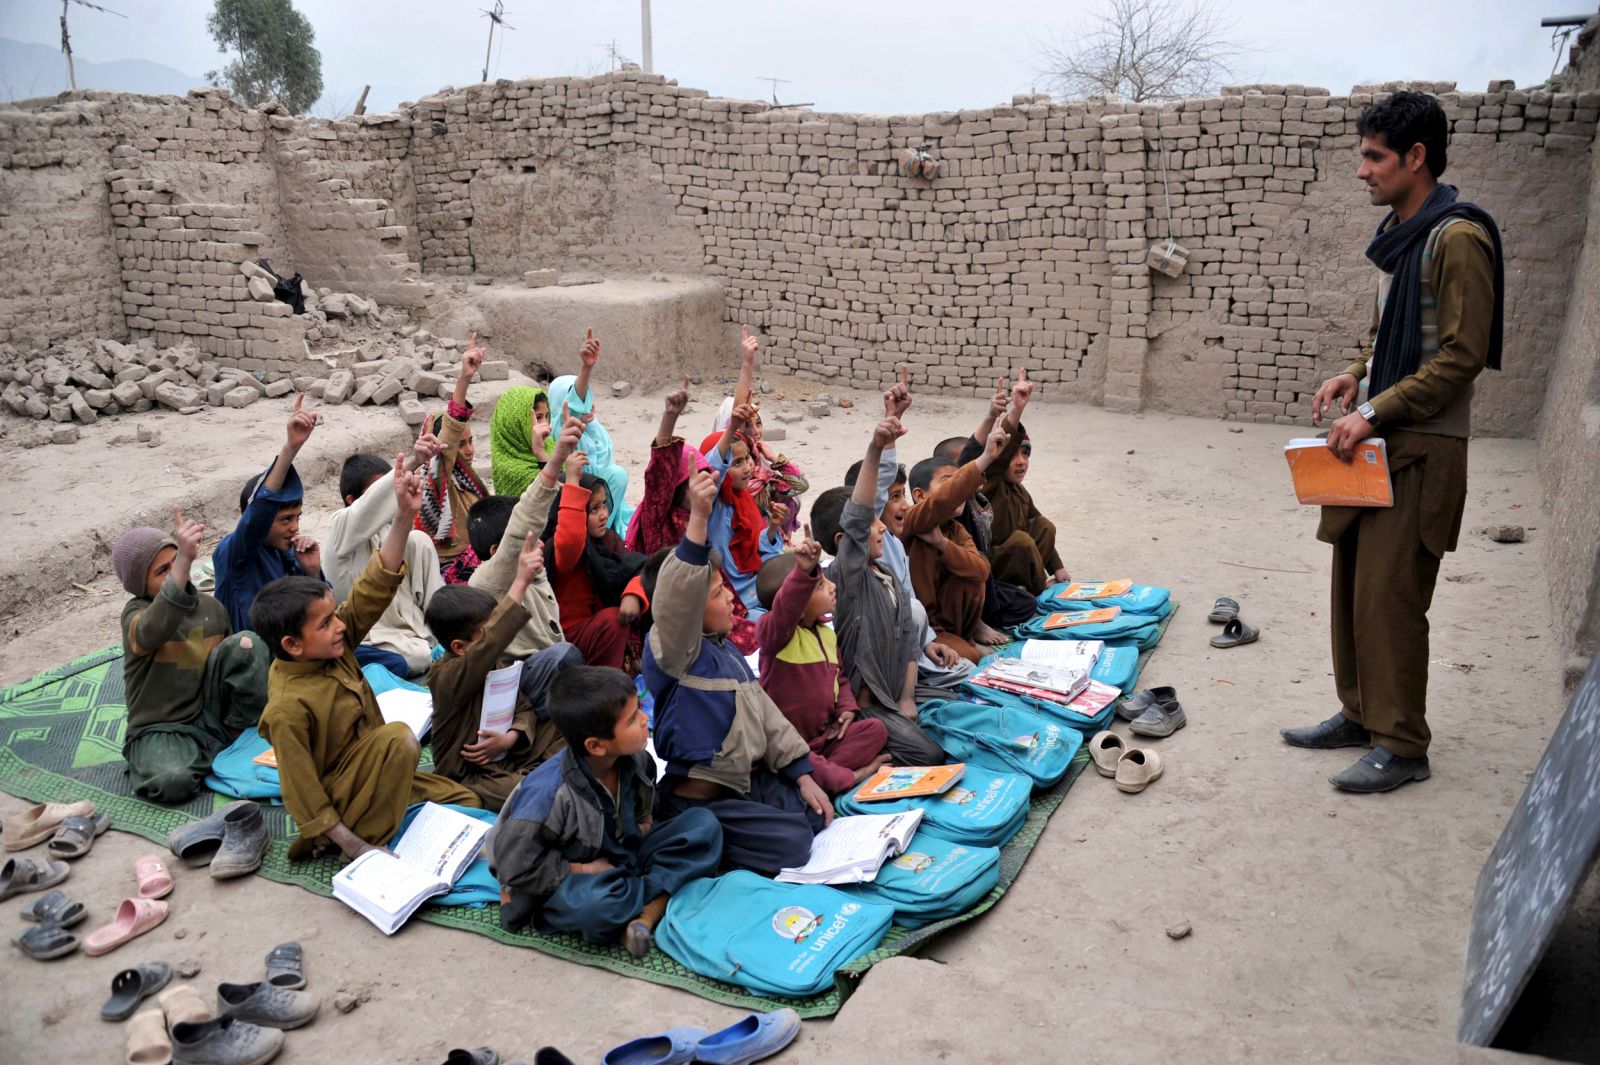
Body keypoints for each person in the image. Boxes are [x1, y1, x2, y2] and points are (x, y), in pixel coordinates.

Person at [1282, 91, 1503, 794]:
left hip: (1423, 446)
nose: (1362, 171)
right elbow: (1384, 342)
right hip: (1379, 442)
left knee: (1393, 598)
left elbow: (1460, 356)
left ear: (1415, 157)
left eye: (1374, 156)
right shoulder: (1405, 235)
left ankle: (1403, 743)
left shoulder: (1457, 238)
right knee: (1353, 585)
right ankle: (1360, 714)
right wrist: (1351, 376)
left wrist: (1375, 410)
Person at [253, 455, 480, 860]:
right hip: (343, 803)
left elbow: (374, 586)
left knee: (469, 801)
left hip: (378, 773)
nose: (339, 626)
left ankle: (393, 808)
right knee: (398, 739)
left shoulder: (332, 646)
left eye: (333, 616)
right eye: (324, 624)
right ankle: (364, 838)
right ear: (292, 645)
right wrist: (357, 848)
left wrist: (405, 518)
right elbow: (302, 791)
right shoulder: (287, 706)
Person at [643, 467, 832, 876]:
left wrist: (801, 774)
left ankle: (715, 838)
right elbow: (678, 598)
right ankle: (686, 833)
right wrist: (698, 516)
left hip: (739, 784)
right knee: (794, 844)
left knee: (815, 810)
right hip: (699, 797)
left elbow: (765, 712)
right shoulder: (676, 651)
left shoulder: (723, 650)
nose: (731, 599)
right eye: (716, 594)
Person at [487, 666, 722, 957]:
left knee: (704, 826)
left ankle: (642, 911)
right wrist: (581, 869)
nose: (645, 718)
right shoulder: (547, 794)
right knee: (596, 908)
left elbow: (642, 809)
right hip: (573, 877)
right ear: (596, 746)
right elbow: (515, 865)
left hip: (623, 856)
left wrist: (642, 822)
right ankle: (653, 904)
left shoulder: (637, 760)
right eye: (633, 719)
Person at [812, 406, 948, 767]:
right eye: (874, 523)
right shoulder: (848, 580)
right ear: (846, 541)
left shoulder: (886, 571)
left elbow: (905, 640)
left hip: (894, 694)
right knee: (931, 754)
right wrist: (876, 449)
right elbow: (859, 514)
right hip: (864, 706)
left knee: (955, 705)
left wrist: (907, 700)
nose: (883, 528)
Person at [115, 509, 270, 803]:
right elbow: (152, 630)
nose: (177, 573)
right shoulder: (137, 615)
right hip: (162, 728)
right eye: (164, 571)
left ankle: (239, 738)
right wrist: (185, 559)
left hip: (211, 716)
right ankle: (213, 757)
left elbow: (233, 667)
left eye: (177, 562)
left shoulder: (210, 609)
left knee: (246, 644)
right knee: (171, 782)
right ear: (139, 584)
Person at [424, 536, 582, 810]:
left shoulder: (496, 664)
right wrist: (519, 582)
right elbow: (492, 641)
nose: (495, 640)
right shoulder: (446, 677)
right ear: (459, 647)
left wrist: (510, 737)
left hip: (509, 753)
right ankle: (539, 782)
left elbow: (524, 709)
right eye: (485, 633)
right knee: (528, 792)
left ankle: (542, 775)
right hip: (471, 774)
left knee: (569, 726)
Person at [626, 379, 760, 654]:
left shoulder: (697, 514)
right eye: (696, 478)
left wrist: (733, 426)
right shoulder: (657, 517)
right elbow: (660, 471)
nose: (708, 483)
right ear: (675, 486)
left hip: (711, 606)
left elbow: (717, 464)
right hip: (679, 619)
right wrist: (670, 417)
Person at [756, 534, 890, 796]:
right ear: (795, 598)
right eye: (818, 585)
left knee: (875, 730)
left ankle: (821, 776)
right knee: (803, 762)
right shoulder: (777, 637)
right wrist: (803, 574)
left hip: (824, 737)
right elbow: (785, 610)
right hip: (789, 744)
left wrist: (847, 708)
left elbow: (839, 679)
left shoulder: (827, 634)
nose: (832, 586)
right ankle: (850, 776)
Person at [467, 412, 588, 659]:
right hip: (520, 676)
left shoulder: (535, 572)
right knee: (565, 656)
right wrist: (556, 459)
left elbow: (545, 517)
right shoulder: (486, 582)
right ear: (496, 552)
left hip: (552, 662)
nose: (541, 544)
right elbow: (523, 523)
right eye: (530, 543)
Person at [324, 431, 446, 679]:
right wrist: (413, 461)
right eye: (387, 489)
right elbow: (371, 506)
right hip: (370, 636)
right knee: (418, 658)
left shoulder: (389, 530)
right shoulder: (340, 528)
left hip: (411, 629)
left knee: (420, 540)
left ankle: (443, 628)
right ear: (352, 500)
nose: (394, 495)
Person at [902, 421, 1014, 662]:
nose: (960, 492)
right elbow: (941, 501)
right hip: (924, 626)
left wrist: (943, 545)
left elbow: (981, 570)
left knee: (974, 574)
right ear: (919, 496)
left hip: (952, 621)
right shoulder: (913, 521)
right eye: (948, 483)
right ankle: (960, 643)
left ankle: (967, 634)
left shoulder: (956, 529)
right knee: (971, 660)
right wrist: (984, 459)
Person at [214, 395, 323, 634]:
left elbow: (320, 612)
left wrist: (312, 572)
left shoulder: (288, 554)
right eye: (285, 519)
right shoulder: (234, 554)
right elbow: (259, 513)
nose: (295, 527)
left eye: (297, 517)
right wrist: (290, 449)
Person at [544, 448, 645, 670]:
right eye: (593, 509)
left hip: (602, 633)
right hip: (569, 641)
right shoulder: (558, 550)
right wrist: (571, 481)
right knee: (613, 619)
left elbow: (637, 568)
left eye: (603, 505)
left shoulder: (608, 541)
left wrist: (633, 594)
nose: (604, 515)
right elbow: (570, 539)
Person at [974, 369, 1069, 595]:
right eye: (1013, 456)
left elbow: (1036, 522)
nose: (1021, 462)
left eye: (1025, 455)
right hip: (993, 563)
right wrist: (1016, 410)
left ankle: (1027, 584)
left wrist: (1058, 567)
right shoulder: (991, 482)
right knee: (1021, 541)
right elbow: (997, 458)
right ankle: (1036, 589)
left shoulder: (1020, 492)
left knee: (1044, 526)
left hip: (1017, 560)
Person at [700, 404, 787, 617]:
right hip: (737, 601)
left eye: (748, 458)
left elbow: (761, 552)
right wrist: (732, 429)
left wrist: (773, 529)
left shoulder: (745, 501)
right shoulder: (712, 506)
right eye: (737, 463)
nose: (748, 467)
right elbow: (714, 468)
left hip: (761, 587)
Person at [545, 329, 633, 536]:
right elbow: (575, 404)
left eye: (589, 399)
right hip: (579, 494)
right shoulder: (561, 427)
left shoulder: (595, 429)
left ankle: (606, 526)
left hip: (602, 498)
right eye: (582, 399)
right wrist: (586, 367)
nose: (588, 406)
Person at [419, 338, 491, 584]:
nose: (469, 450)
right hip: (449, 574)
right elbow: (449, 436)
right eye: (461, 444)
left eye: (471, 441)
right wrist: (465, 379)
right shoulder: (435, 479)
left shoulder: (468, 483)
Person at [489, 384, 552, 499]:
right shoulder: (510, 468)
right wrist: (540, 453)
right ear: (516, 424)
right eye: (538, 417)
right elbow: (553, 494)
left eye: (546, 416)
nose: (546, 424)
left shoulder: (550, 445)